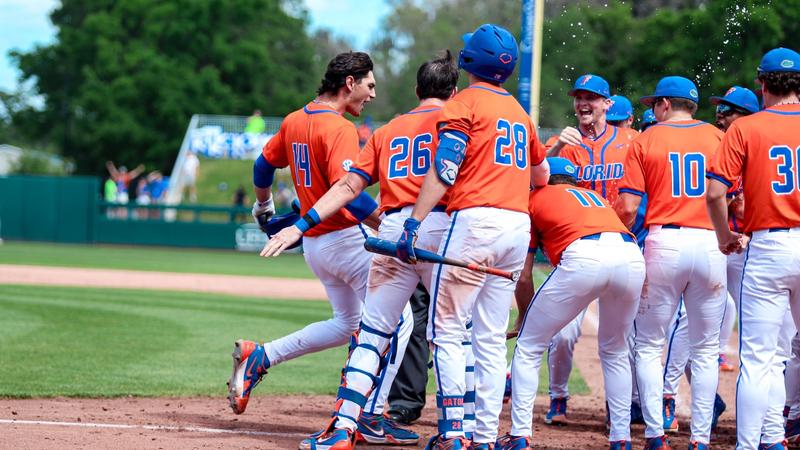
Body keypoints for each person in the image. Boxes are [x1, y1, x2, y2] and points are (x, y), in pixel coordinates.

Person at [263, 50, 462, 450]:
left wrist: (287, 219)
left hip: (342, 236)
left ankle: (341, 423)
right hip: (414, 228)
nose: (372, 94)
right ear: (454, 93)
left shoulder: (382, 130)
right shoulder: (458, 124)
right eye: (369, 85)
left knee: (364, 328)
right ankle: (460, 431)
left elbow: (342, 185)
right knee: (453, 333)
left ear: (417, 90)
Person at [226, 53, 400, 445]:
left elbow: (262, 167)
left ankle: (262, 356)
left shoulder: (295, 119)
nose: (372, 95)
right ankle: (369, 414)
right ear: (350, 82)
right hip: (346, 239)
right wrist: (387, 225)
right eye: (370, 85)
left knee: (348, 323)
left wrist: (263, 206)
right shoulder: (338, 128)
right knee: (396, 321)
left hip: (316, 246)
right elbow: (350, 194)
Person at [393, 24, 549, 449]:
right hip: (516, 226)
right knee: (490, 337)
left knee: (445, 330)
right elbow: (542, 176)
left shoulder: (463, 103)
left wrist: (413, 223)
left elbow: (445, 169)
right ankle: (484, 436)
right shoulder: (520, 112)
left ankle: (453, 434)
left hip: (476, 222)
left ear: (469, 61)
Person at [500, 157, 645, 450]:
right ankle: (621, 438)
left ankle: (519, 436)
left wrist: (524, 316)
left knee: (529, 345)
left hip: (584, 256)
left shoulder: (534, 197)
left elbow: (524, 276)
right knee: (615, 350)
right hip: (631, 257)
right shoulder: (593, 196)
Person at [616, 75, 726, 450]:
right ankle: (700, 439)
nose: (653, 110)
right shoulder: (717, 136)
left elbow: (629, 206)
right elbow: (734, 199)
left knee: (649, 345)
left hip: (665, 242)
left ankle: (654, 434)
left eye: (654, 105)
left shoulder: (647, 138)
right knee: (706, 350)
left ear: (664, 104)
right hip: (710, 242)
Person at [706, 47, 800, 450]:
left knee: (761, 359)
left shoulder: (746, 128)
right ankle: (776, 434)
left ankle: (752, 444)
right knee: (784, 352)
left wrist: (724, 236)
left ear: (762, 84)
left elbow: (715, 194)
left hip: (770, 246)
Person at [540, 74, 636, 426]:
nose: (583, 103)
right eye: (579, 96)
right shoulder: (562, 143)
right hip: (576, 249)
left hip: (621, 245)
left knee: (623, 340)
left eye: (592, 97)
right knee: (564, 333)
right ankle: (558, 398)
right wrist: (554, 151)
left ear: (607, 104)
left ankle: (620, 409)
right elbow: (531, 176)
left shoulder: (630, 141)